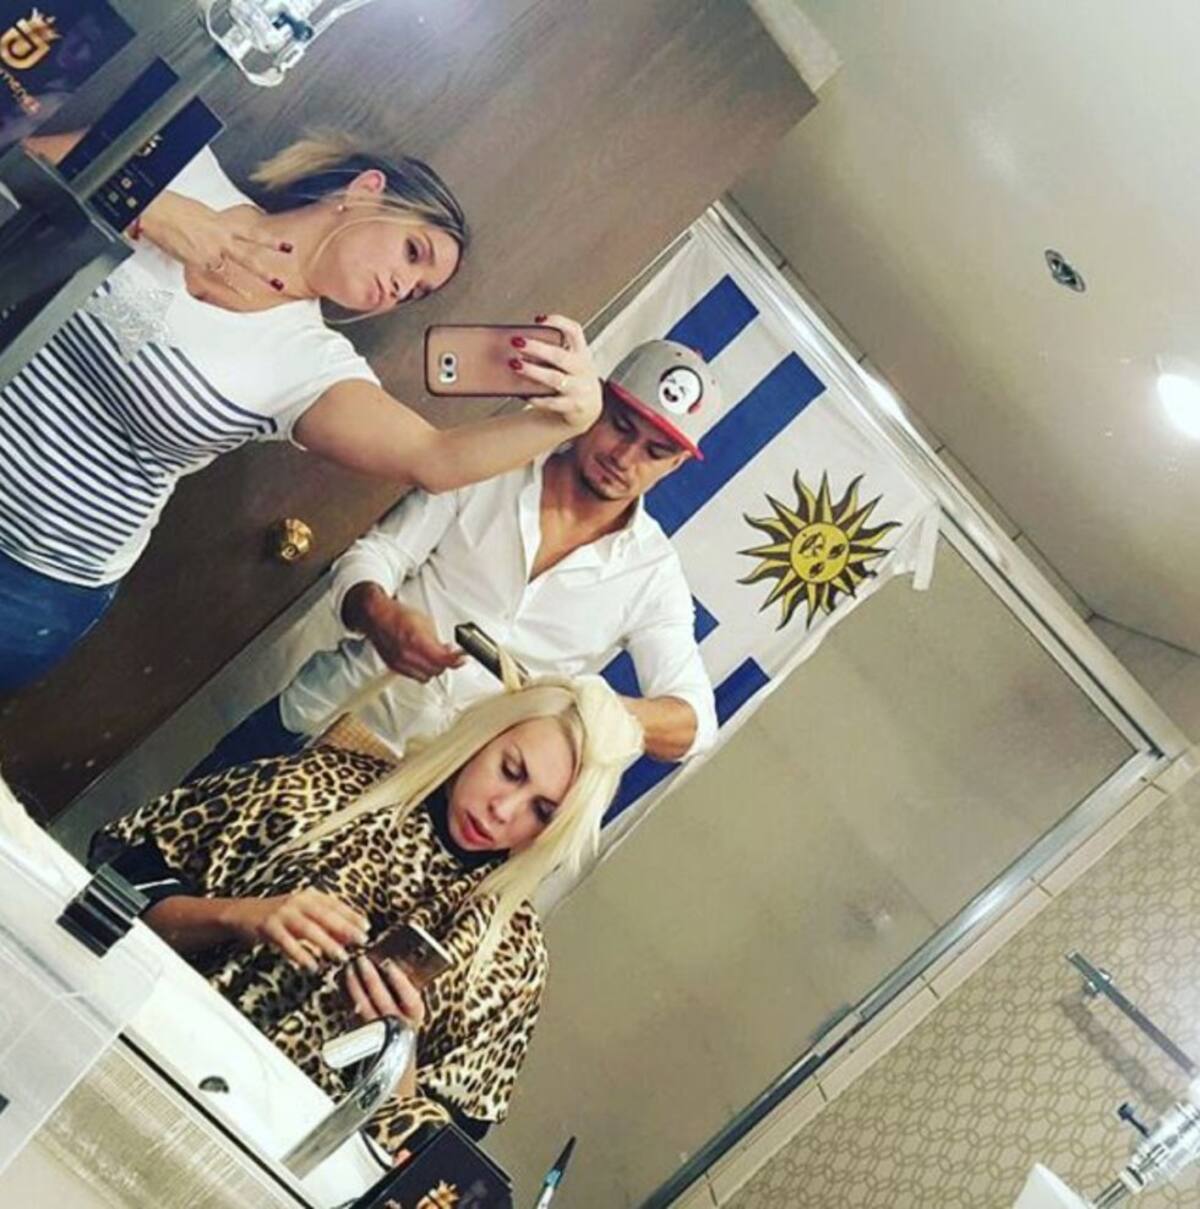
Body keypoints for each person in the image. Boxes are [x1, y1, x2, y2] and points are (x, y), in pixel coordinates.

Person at [0, 130, 602, 690]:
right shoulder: (188, 172)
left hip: (34, 579)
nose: (402, 286)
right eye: (412, 252)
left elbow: (434, 458)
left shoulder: (310, 363)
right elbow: (22, 157)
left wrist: (567, 419)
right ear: (365, 191)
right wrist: (155, 209)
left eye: (417, 292)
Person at [88, 667, 644, 1152]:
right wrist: (235, 915)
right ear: (484, 738)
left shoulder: (512, 961)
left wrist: (396, 1062)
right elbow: (111, 882)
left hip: (279, 1160)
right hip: (137, 1050)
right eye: (511, 770)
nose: (503, 810)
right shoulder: (317, 789)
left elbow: (436, 1165)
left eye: (542, 812)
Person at [191, 339, 721, 779]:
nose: (625, 457)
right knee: (159, 859)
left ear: (675, 465)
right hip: (315, 722)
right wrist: (379, 615)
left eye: (655, 452)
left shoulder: (652, 575)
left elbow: (695, 723)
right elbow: (379, 554)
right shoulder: (497, 462)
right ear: (596, 402)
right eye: (621, 426)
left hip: (423, 795)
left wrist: (587, 706)